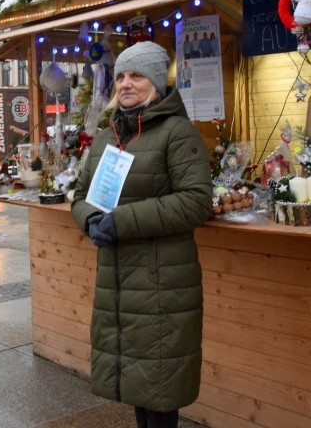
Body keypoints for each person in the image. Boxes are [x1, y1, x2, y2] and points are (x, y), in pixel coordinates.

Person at [70, 41, 213, 428]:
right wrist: (88, 221)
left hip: (161, 280)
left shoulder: (177, 133)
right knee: (136, 381)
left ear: (155, 82)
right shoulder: (106, 138)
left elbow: (195, 201)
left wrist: (120, 221)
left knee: (161, 387)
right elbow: (80, 196)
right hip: (117, 279)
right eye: (120, 76)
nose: (126, 84)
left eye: (136, 75)